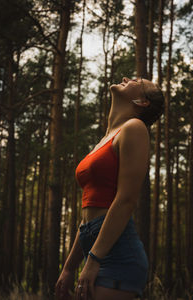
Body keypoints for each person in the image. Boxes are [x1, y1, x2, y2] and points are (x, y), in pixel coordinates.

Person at [55, 77, 165, 300]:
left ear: (142, 102)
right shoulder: (105, 139)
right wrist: (69, 267)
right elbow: (89, 215)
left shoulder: (134, 128)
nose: (127, 78)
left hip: (117, 255)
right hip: (95, 248)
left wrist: (94, 259)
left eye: (137, 81)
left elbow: (126, 200)